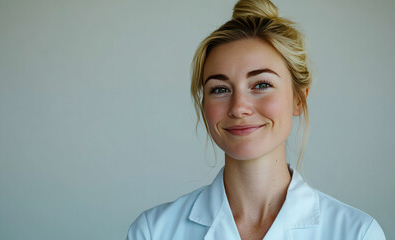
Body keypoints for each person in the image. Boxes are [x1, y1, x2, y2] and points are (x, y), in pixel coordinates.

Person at [127, 0, 386, 239]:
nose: (239, 108)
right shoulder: (153, 231)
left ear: (298, 99)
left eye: (261, 84)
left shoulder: (358, 234)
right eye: (219, 89)